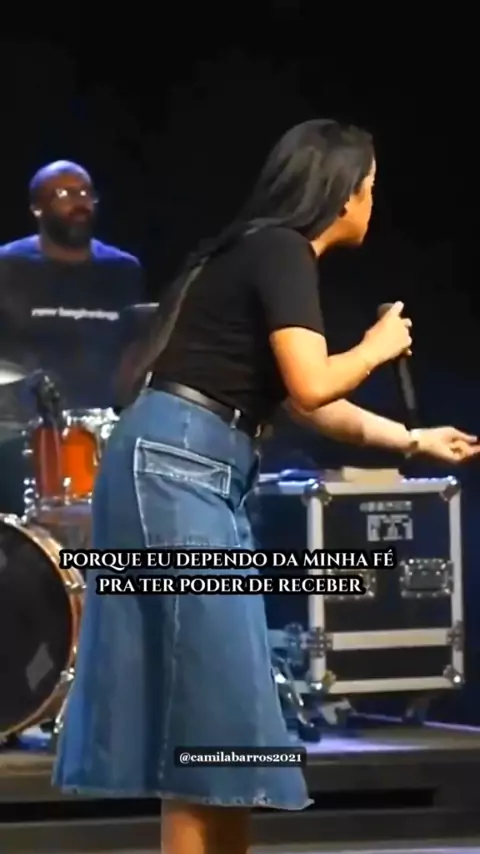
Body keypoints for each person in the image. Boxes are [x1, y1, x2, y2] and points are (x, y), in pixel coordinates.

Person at [52, 120, 480, 854]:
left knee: (226, 718)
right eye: (371, 187)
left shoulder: (263, 252)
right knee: (205, 717)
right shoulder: (280, 249)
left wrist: (414, 440)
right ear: (342, 193)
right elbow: (314, 385)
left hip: (192, 469)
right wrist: (375, 348)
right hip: (177, 468)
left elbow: (312, 404)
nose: (373, 202)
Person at [0, 160, 143, 514]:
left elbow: (135, 349)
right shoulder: (8, 266)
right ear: (37, 207)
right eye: (63, 194)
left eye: (85, 193)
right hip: (19, 435)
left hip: (101, 434)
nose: (79, 202)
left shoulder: (123, 270)